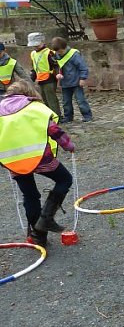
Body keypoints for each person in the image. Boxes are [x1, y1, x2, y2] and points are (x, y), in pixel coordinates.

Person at [0, 80, 75, 247]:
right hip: (40, 157)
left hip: (13, 160)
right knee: (64, 180)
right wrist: (68, 145)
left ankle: (38, 236)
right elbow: (54, 130)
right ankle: (45, 221)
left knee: (30, 195)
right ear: (29, 92)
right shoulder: (35, 107)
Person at [51, 37, 93, 123]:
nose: (59, 53)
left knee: (80, 100)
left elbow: (83, 67)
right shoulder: (57, 55)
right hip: (65, 82)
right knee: (66, 102)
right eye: (57, 51)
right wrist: (58, 73)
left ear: (64, 47)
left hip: (76, 82)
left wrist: (82, 78)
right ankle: (68, 117)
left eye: (60, 51)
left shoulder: (74, 54)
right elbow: (57, 66)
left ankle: (87, 115)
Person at [27, 32, 62, 119]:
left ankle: (57, 116)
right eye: (34, 45)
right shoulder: (33, 54)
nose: (35, 47)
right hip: (40, 80)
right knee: (44, 99)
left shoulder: (49, 53)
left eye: (37, 45)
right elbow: (34, 68)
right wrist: (31, 79)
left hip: (50, 79)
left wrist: (58, 74)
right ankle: (48, 116)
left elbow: (56, 65)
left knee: (51, 99)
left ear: (43, 42)